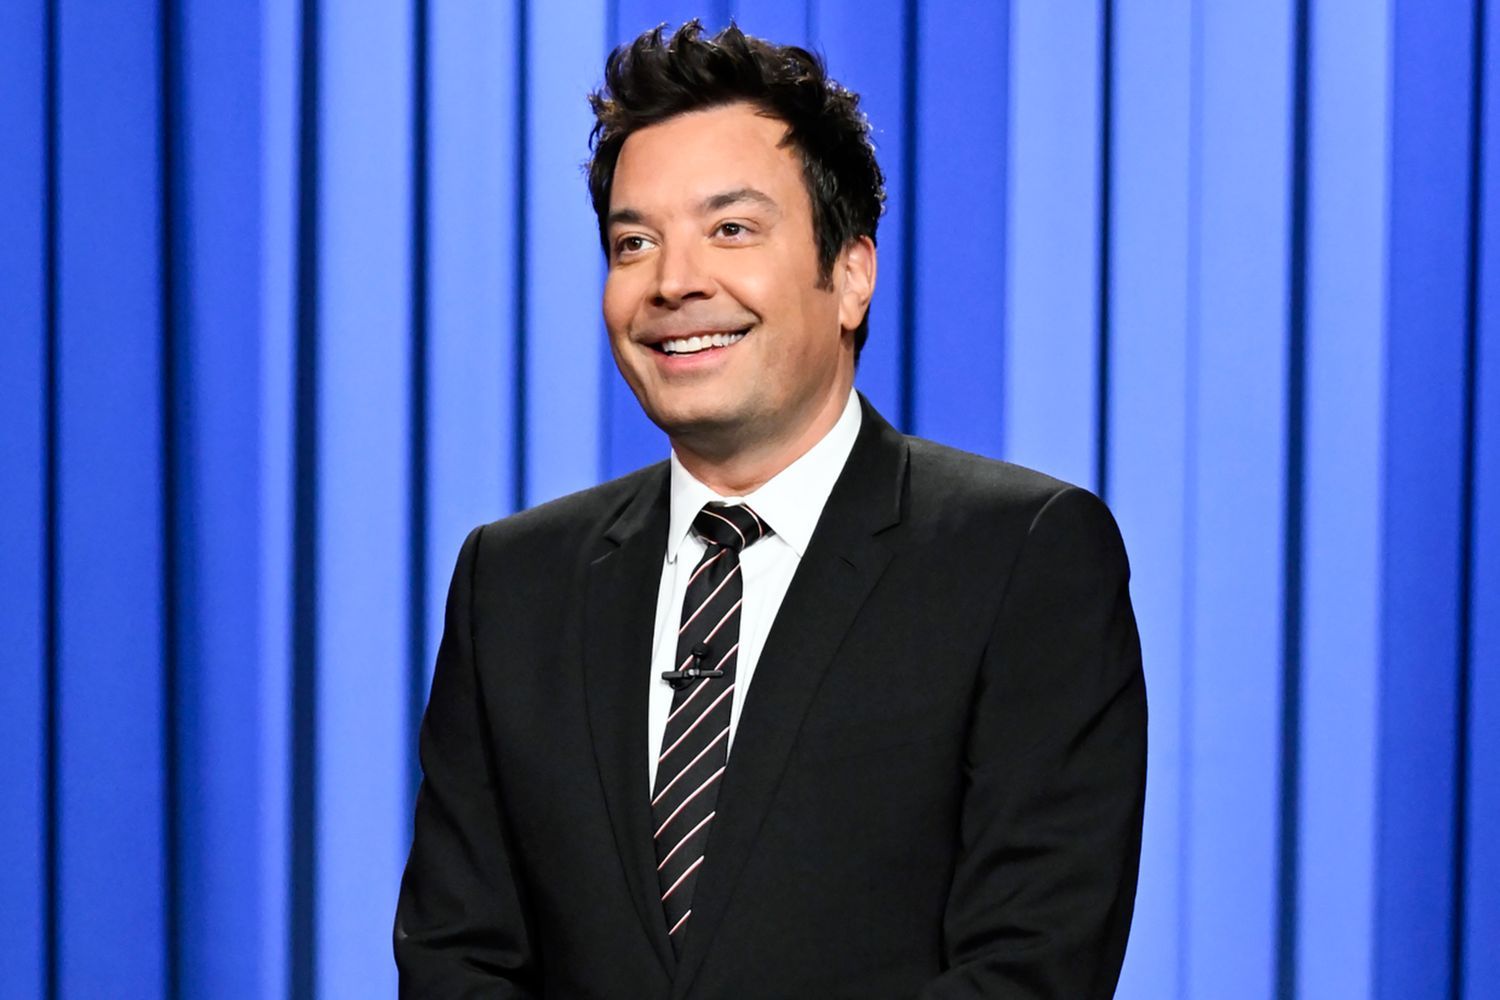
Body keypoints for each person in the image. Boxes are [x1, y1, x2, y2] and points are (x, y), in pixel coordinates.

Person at [395, 20, 1145, 999]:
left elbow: (1029, 967)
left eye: (731, 230)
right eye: (634, 242)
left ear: (852, 275)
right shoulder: (513, 581)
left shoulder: (1023, 557)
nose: (674, 282)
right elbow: (456, 960)